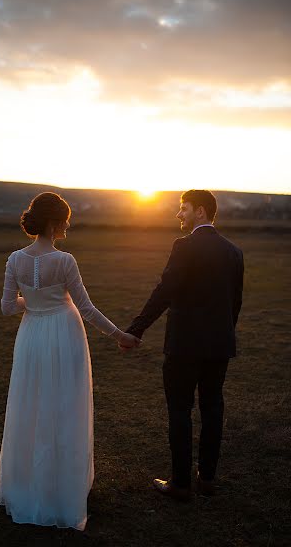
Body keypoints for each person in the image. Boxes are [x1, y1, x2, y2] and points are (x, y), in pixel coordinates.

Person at [0, 192, 139, 530]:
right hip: (65, 334)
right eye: (66, 220)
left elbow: (6, 307)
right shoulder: (65, 261)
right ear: (55, 224)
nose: (69, 225)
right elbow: (86, 309)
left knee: (30, 405)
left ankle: (26, 482)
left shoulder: (15, 259)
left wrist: (32, 300)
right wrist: (120, 336)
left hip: (31, 338)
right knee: (65, 407)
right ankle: (62, 487)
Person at [123, 189, 244, 501]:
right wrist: (222, 335)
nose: (179, 215)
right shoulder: (234, 251)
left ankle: (180, 483)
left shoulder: (184, 246)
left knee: (180, 409)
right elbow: (235, 303)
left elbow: (165, 291)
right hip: (219, 345)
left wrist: (137, 329)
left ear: (200, 212)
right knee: (213, 407)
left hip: (184, 346)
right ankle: (207, 479)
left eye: (184, 209)